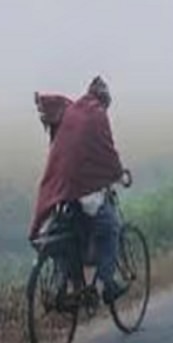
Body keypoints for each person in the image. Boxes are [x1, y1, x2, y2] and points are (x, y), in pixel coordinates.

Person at [30, 76, 129, 303]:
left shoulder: (73, 110)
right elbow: (107, 152)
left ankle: (71, 284)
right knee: (111, 228)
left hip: (62, 188)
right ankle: (106, 284)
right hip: (83, 188)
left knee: (68, 232)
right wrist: (117, 173)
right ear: (103, 99)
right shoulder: (97, 115)